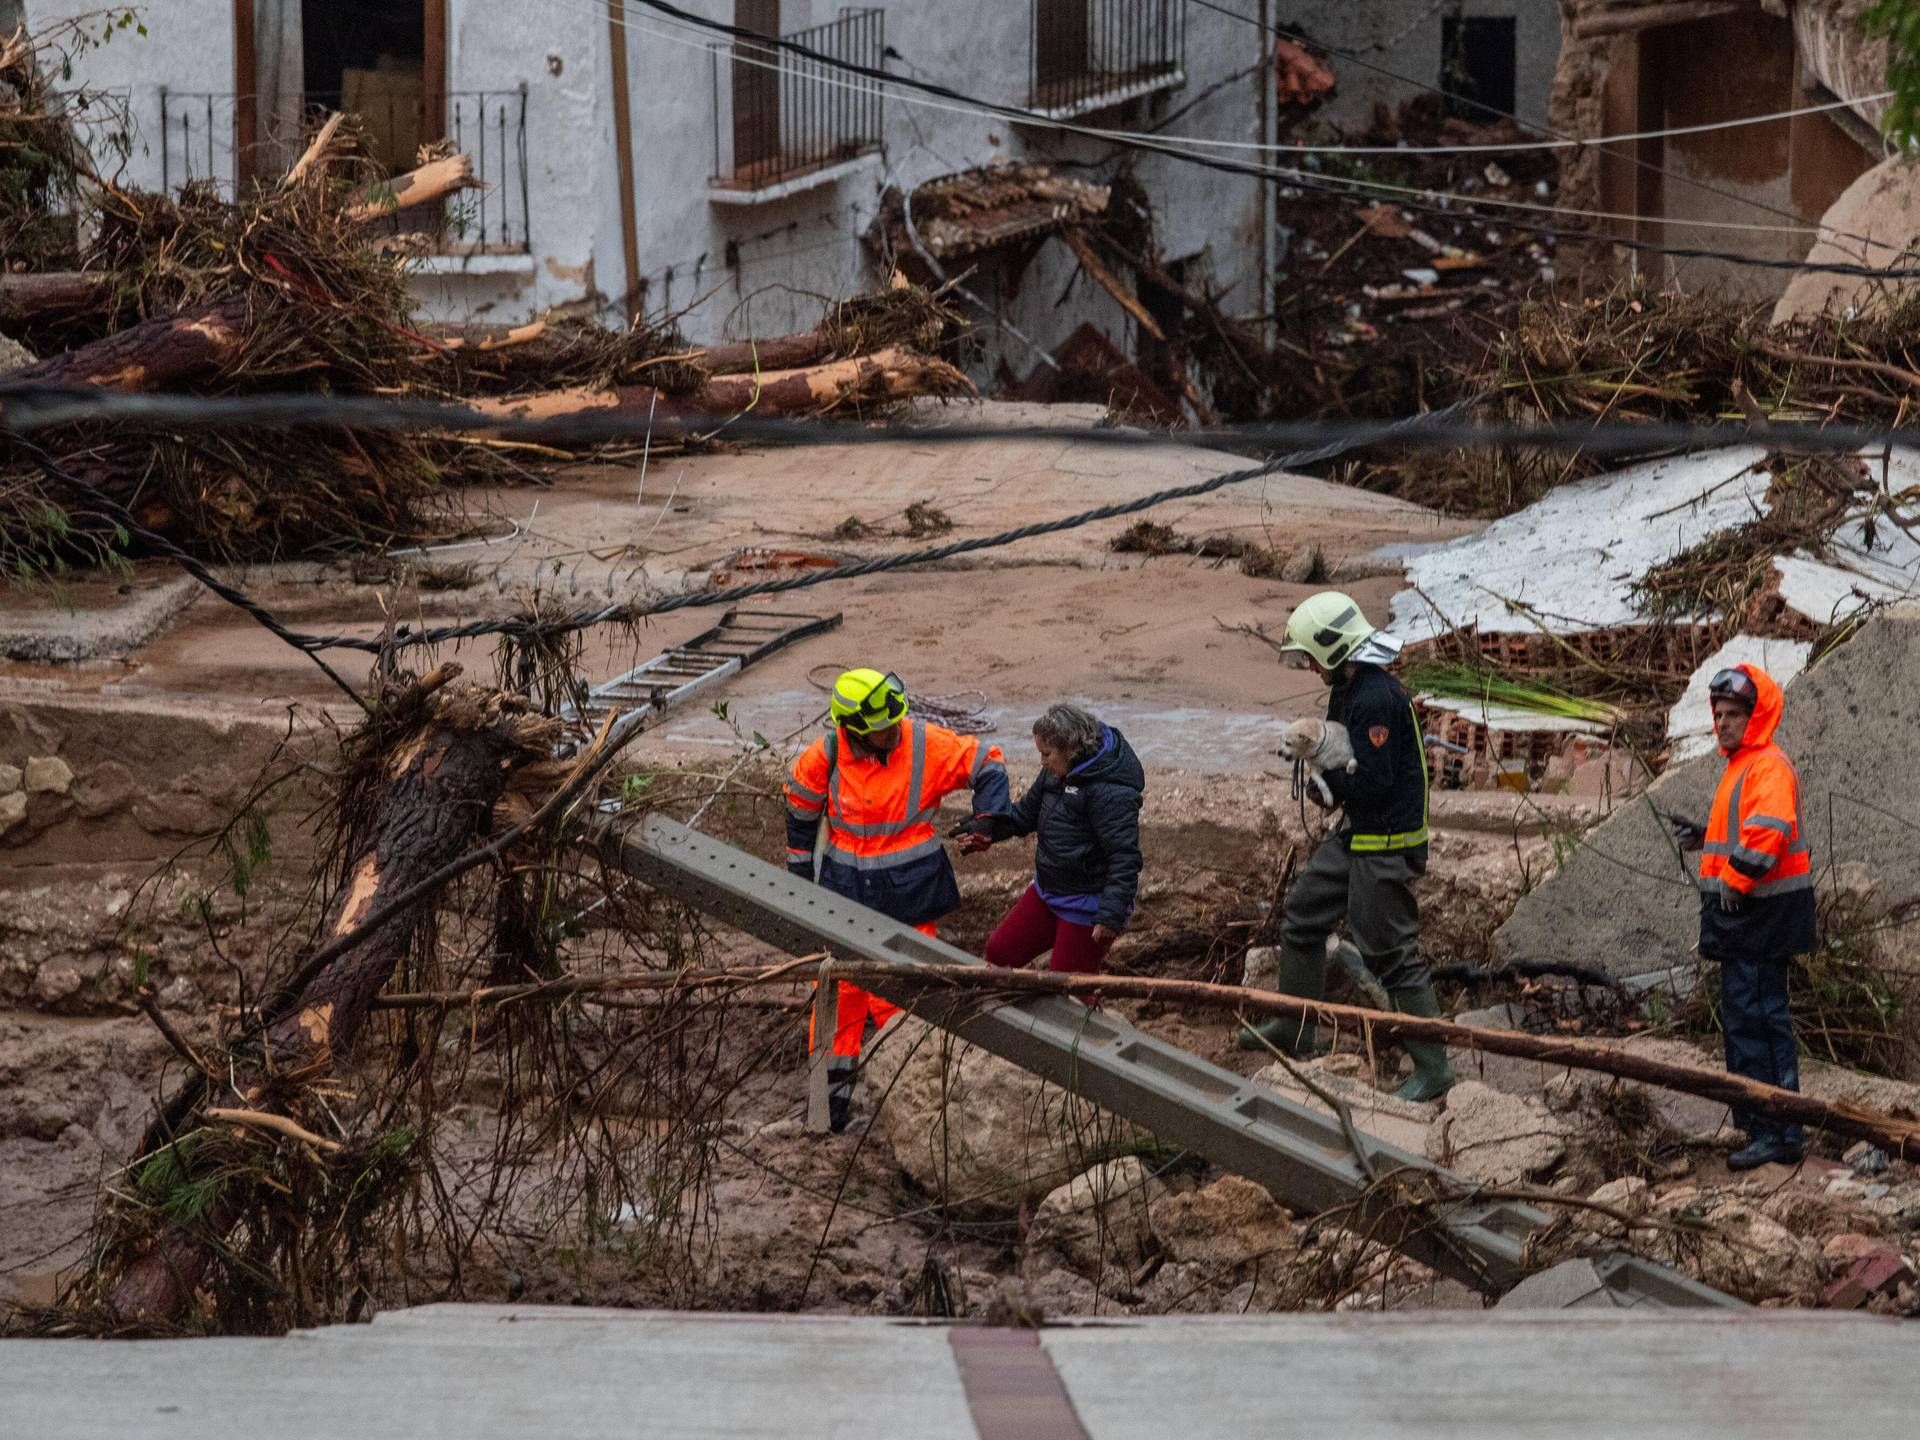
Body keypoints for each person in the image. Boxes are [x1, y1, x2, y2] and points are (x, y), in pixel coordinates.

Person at [1235, 590, 1455, 1103]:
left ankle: (1434, 1067)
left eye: (1311, 657)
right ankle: (1296, 1028)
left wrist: (1328, 785)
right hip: (1360, 831)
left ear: (1332, 649)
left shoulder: (1377, 697)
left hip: (1386, 839)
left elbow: (1374, 780)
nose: (1310, 667)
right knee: (1304, 914)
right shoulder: (1350, 688)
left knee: (1390, 953)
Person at [785, 668, 1010, 1132]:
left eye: (894, 723)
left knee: (906, 1004)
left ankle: (912, 1111)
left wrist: (989, 817)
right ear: (852, 730)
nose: (893, 733)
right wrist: (799, 884)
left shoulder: (922, 743)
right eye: (882, 729)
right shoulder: (823, 758)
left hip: (909, 900)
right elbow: (800, 816)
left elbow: (987, 761)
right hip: (844, 900)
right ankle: (826, 1113)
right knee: (837, 999)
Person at [1665, 664, 1815, 1170]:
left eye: (1733, 714)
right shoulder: (1745, 766)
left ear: (1756, 716)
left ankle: (1777, 1130)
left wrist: (1733, 881)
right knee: (1749, 1022)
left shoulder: (1766, 766)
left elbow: (1768, 832)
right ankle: (1764, 1125)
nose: (1723, 723)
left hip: (1758, 919)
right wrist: (1706, 837)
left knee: (1759, 1024)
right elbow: (1746, 831)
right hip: (1750, 921)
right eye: (1719, 714)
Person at [962, 703, 1144, 976]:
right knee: (1000, 952)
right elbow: (1024, 815)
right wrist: (988, 827)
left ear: (1071, 750)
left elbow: (1124, 857)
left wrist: (1110, 915)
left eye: (1047, 754)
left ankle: (1086, 1013)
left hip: (1087, 905)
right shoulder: (1056, 770)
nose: (1042, 762)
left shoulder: (1111, 793)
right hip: (1047, 891)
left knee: (1068, 990)